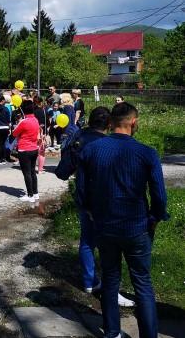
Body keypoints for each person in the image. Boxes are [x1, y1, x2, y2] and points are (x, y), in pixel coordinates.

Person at [77, 102, 169, 338]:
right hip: (137, 225)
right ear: (133, 122)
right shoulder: (147, 153)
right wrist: (156, 217)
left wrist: (89, 210)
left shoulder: (91, 150)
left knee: (110, 278)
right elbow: (159, 194)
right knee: (143, 284)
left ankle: (112, 332)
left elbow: (82, 188)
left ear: (110, 122)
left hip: (105, 225)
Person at [54, 106, 135, 308]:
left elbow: (62, 171)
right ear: (109, 124)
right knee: (110, 247)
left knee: (87, 241)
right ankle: (111, 290)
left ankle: (90, 281)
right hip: (107, 201)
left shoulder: (79, 138)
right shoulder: (108, 143)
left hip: (84, 199)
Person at [11, 100, 40, 202]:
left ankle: (30, 195)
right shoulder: (36, 120)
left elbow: (14, 133)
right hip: (34, 148)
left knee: (26, 173)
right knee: (32, 172)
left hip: (24, 149)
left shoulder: (24, 121)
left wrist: (18, 123)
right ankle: (35, 193)